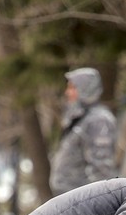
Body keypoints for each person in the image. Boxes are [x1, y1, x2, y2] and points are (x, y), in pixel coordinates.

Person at [49, 67, 118, 196]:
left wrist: (93, 204)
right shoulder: (80, 118)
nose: (68, 93)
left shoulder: (99, 120)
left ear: (86, 88)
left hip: (83, 204)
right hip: (69, 200)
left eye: (72, 88)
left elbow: (101, 169)